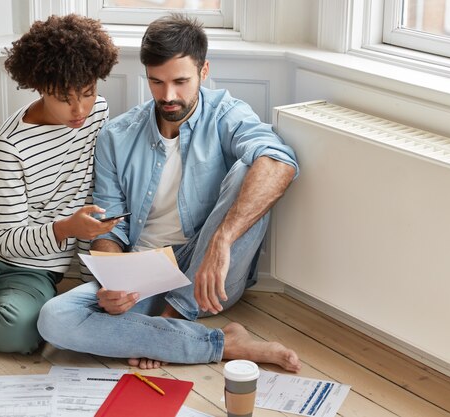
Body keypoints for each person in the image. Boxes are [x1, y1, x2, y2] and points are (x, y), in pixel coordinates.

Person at [37, 14, 302, 372]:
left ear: (204, 71)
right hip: (144, 273)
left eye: (180, 81)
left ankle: (172, 319)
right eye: (156, 82)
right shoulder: (117, 136)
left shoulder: (227, 115)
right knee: (54, 318)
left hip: (209, 271)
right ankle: (217, 342)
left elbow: (279, 163)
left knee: (251, 168)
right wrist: (115, 280)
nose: (168, 96)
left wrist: (221, 241)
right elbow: (110, 228)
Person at [0, 14, 120, 354]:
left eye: (88, 92)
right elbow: (5, 241)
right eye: (65, 97)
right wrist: (65, 229)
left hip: (36, 265)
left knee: (22, 333)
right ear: (41, 86)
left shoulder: (98, 114)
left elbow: (91, 188)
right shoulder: (10, 145)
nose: (79, 108)